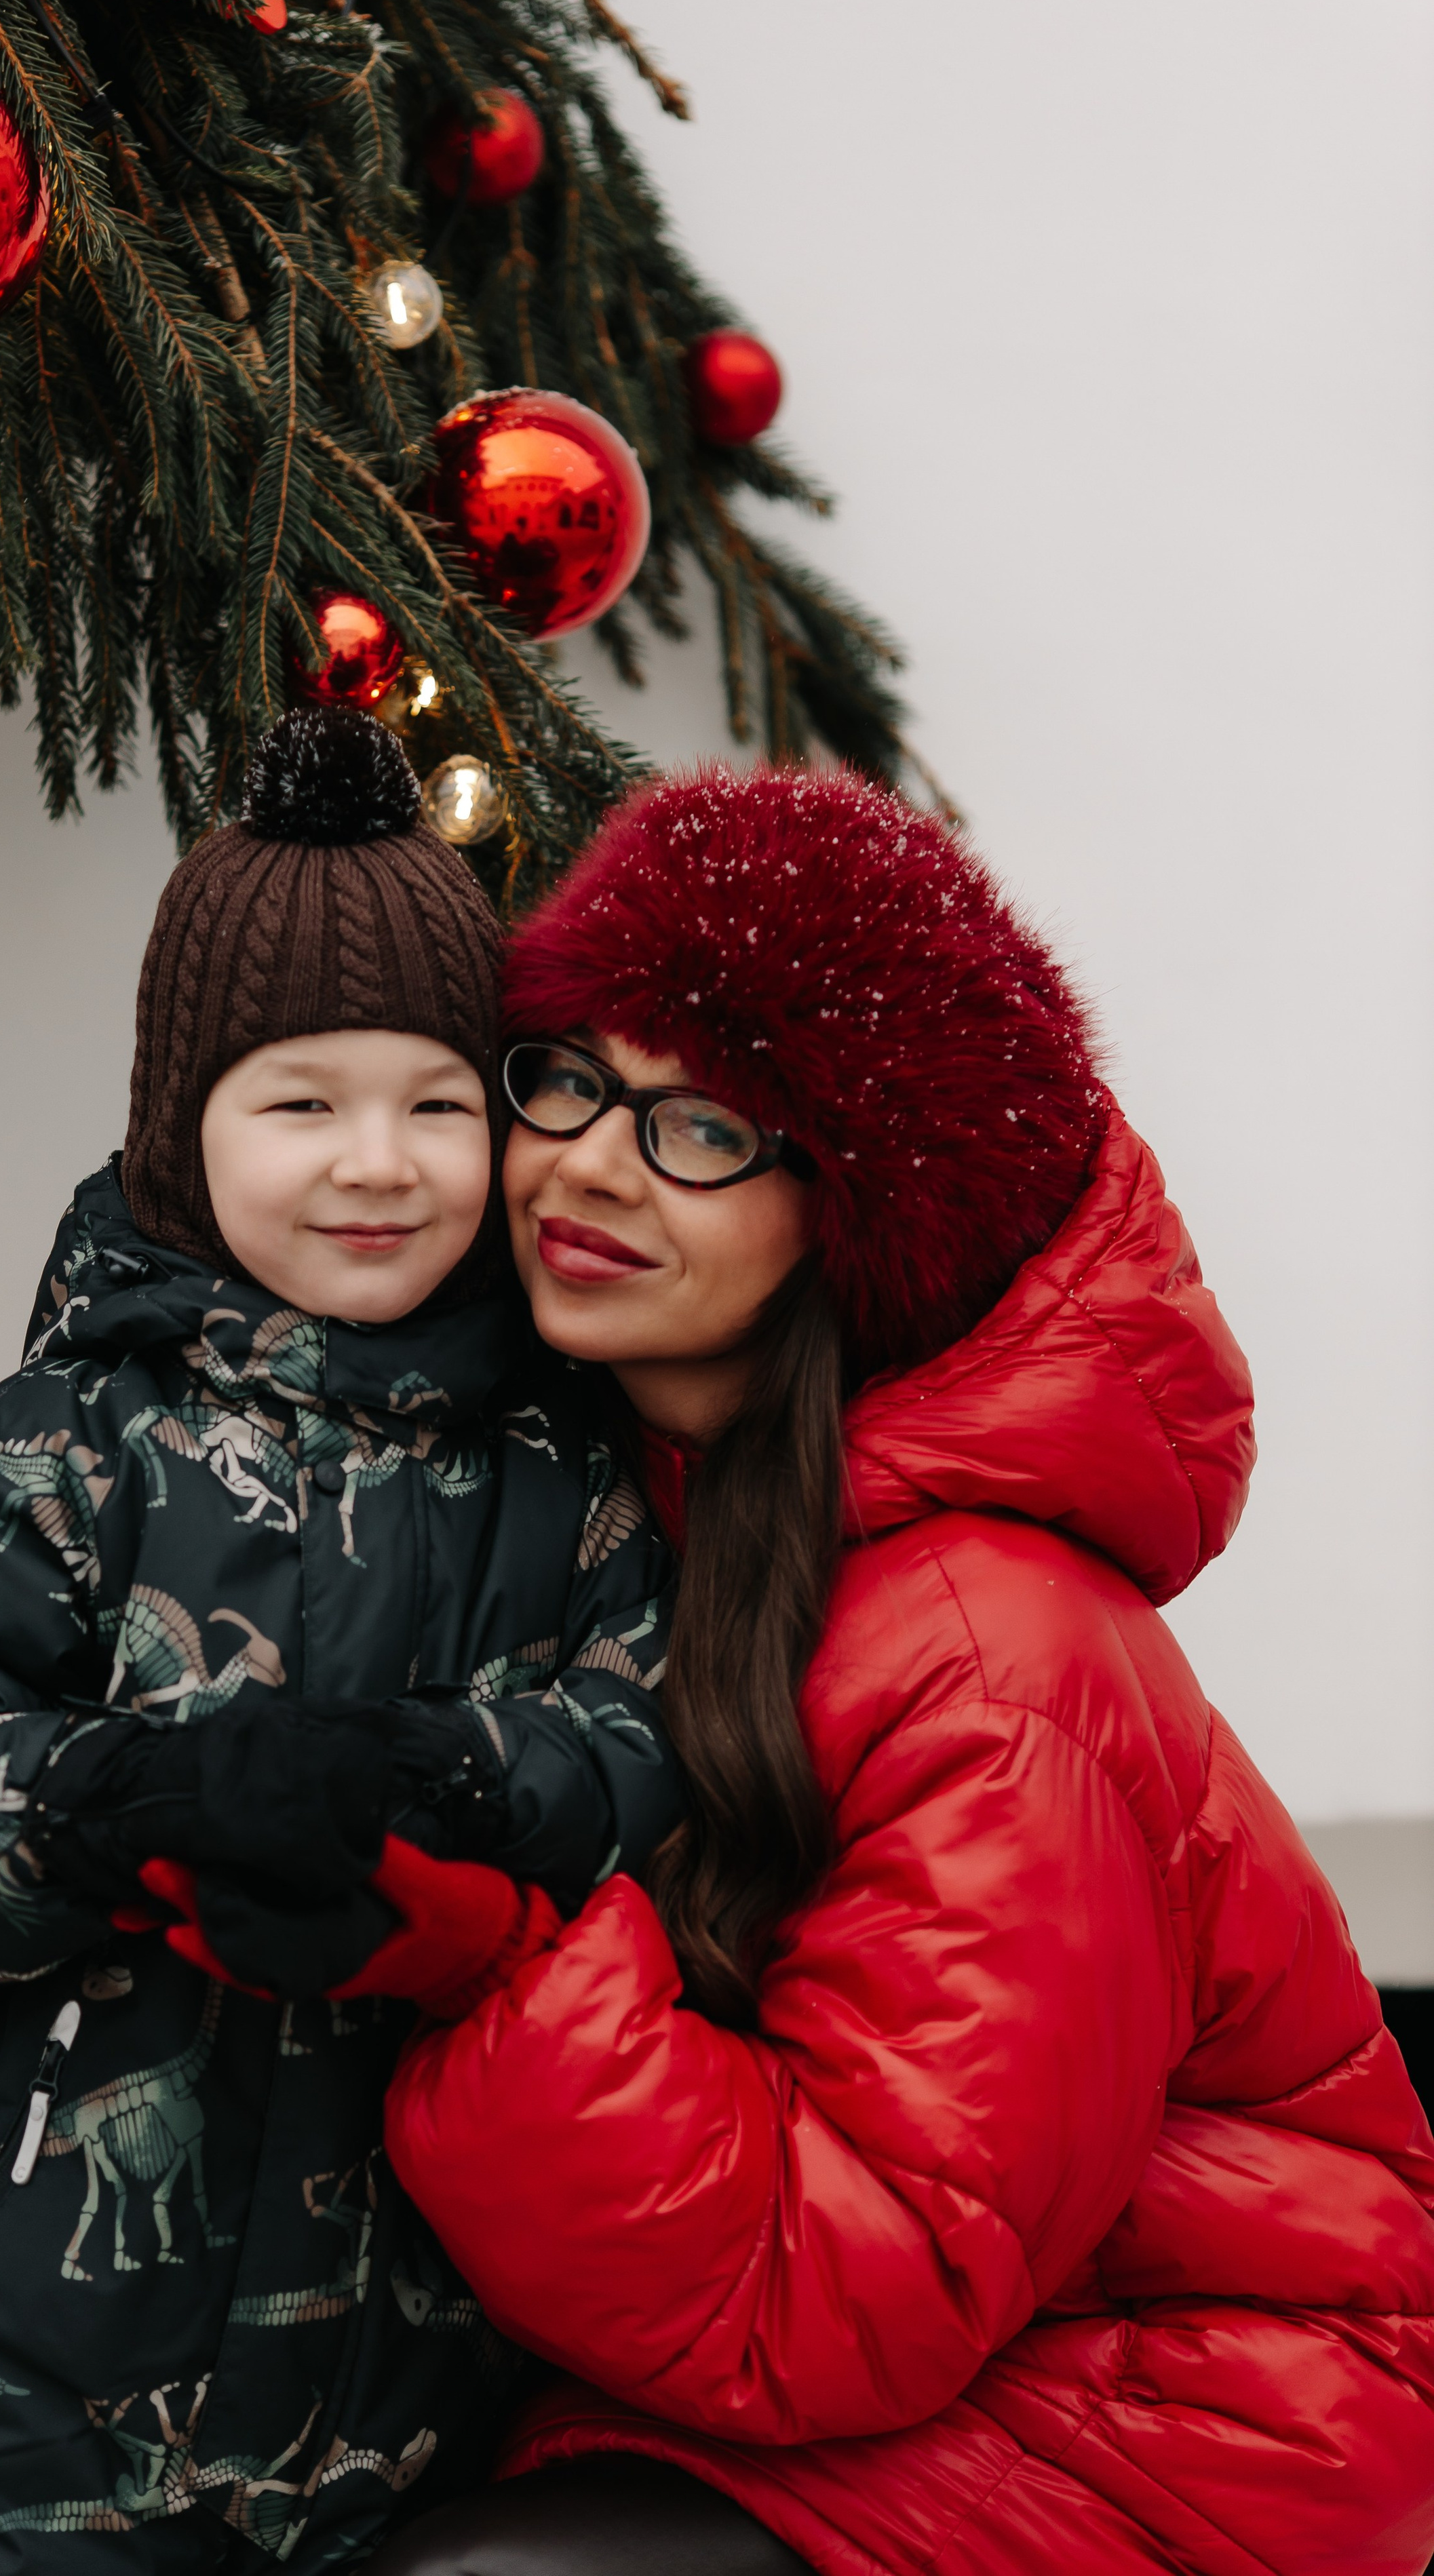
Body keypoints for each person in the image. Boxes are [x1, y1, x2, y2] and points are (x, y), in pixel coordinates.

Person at [373, 761, 1434, 2576]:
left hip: (1186, 2419)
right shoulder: (612, 1518)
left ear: (849, 1212)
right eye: (572, 1080)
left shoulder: (991, 1663)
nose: (593, 1165)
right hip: (896, 2365)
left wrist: (500, 1972)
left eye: (703, 1126)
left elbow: (850, 2285)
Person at [0, 710, 680, 2576]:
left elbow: (648, 1745)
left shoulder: (569, 1468)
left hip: (405, 2376)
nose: (381, 1162)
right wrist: (110, 1795)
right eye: (300, 1103)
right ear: (183, 1130)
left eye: (440, 1103)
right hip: (3, 2381)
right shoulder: (42, 1455)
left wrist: (451, 1774)